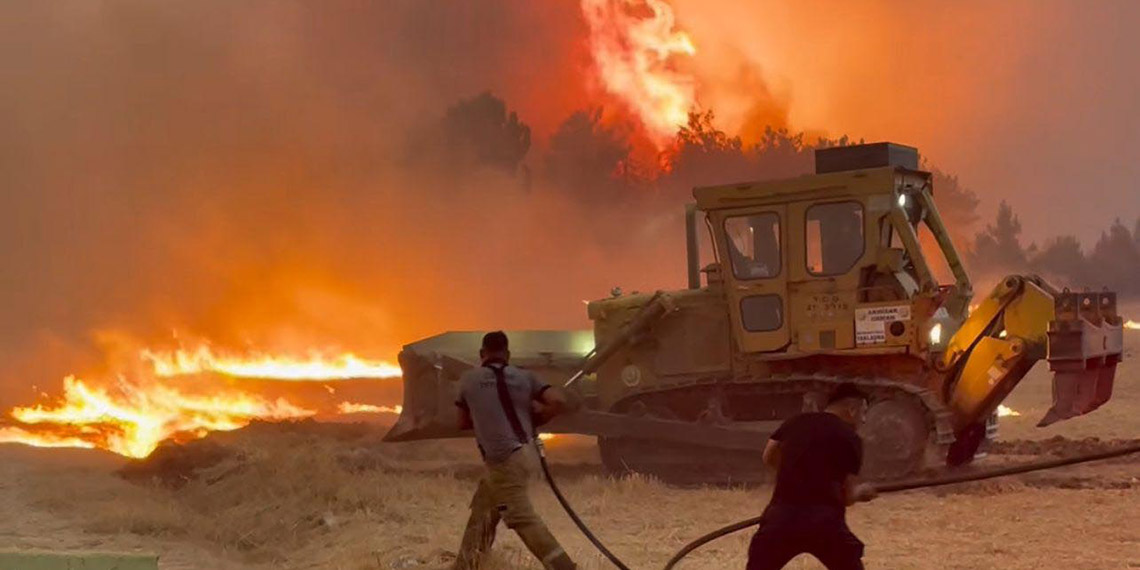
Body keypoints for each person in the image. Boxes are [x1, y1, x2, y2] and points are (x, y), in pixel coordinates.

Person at [452, 331, 577, 570]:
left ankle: (565, 567)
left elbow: (461, 422)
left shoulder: (468, 380)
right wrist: (539, 418)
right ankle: (467, 564)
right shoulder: (525, 377)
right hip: (526, 453)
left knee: (521, 517)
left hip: (502, 458)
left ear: (482, 354)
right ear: (507, 354)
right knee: (484, 507)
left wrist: (484, 416)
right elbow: (559, 401)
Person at [746, 383, 878, 570]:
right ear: (852, 410)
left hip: (781, 518)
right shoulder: (850, 437)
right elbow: (847, 497)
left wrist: (793, 470)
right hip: (825, 523)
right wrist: (861, 493)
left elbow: (768, 455)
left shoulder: (796, 421)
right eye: (864, 413)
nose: (864, 420)